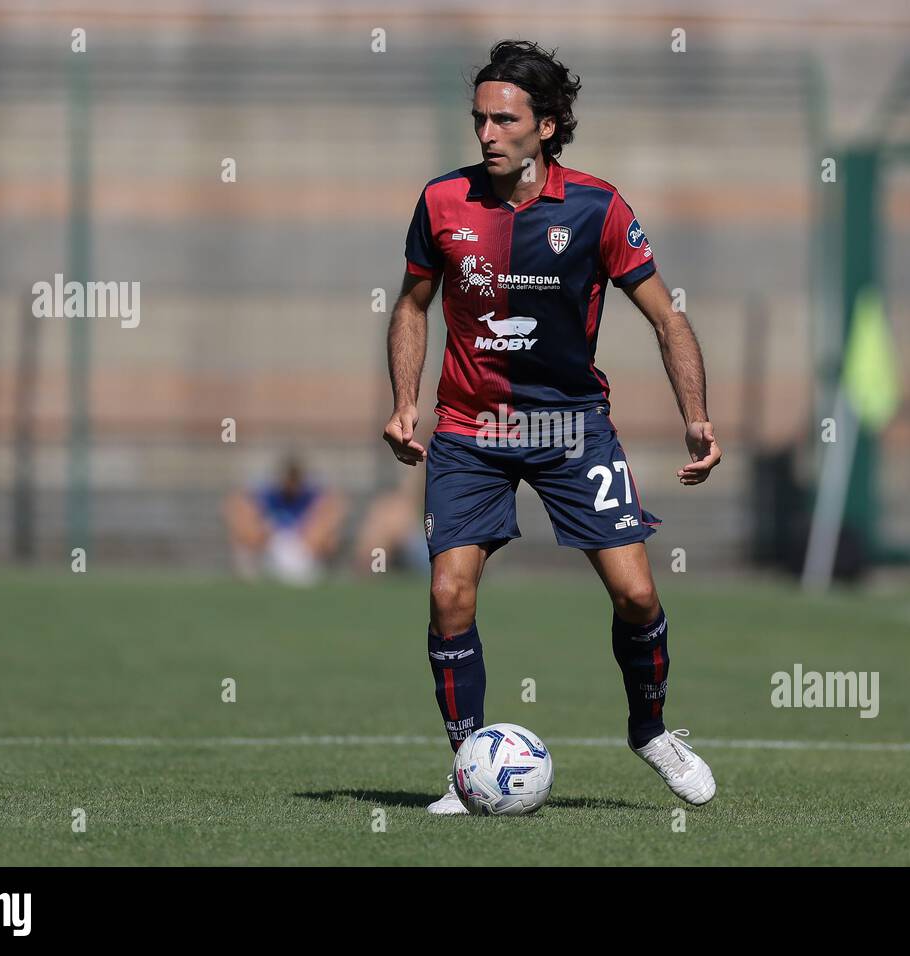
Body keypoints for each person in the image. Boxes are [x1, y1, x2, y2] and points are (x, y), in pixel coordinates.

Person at [382, 40, 722, 814]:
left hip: (571, 427)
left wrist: (696, 419)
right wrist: (406, 403)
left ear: (548, 126)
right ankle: (469, 767)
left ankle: (652, 730)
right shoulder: (442, 202)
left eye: (505, 120)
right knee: (448, 595)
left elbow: (667, 317)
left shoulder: (599, 208)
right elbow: (411, 304)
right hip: (471, 429)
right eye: (480, 119)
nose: (487, 134)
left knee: (636, 595)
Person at [223, 456, 345, 585]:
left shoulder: (310, 495)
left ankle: (301, 570)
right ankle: (258, 569)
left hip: (303, 547)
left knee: (325, 533)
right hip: (270, 546)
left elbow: (337, 506)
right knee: (244, 517)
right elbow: (233, 504)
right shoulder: (268, 494)